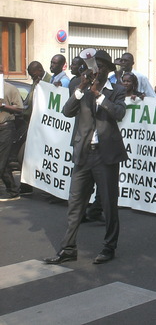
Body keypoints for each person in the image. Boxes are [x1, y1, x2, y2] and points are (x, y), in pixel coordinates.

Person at [43, 50, 128, 264]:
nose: (95, 69)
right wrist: (82, 88)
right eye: (92, 65)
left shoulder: (116, 90)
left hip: (105, 155)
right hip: (83, 154)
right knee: (75, 204)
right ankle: (68, 248)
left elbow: (118, 114)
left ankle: (109, 247)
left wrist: (99, 95)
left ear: (108, 70)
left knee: (109, 204)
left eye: (99, 66)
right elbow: (67, 111)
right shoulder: (77, 86)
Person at [0, 65, 24, 202]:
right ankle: (13, 190)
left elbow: (20, 108)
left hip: (6, 128)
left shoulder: (10, 89)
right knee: (5, 162)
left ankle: (13, 190)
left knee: (2, 161)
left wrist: (3, 106)